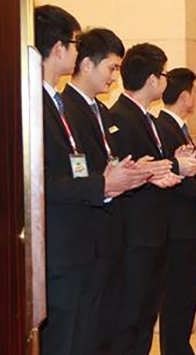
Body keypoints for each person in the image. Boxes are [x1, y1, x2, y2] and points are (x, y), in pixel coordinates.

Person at [57, 27, 156, 353]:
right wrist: (107, 181)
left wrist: (137, 172)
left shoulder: (100, 110)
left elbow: (109, 162)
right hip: (82, 241)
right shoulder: (65, 109)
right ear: (87, 64)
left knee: (105, 329)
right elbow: (69, 175)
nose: (115, 77)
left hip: (111, 237)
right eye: (111, 68)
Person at [109, 43, 187, 355]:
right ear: (153, 79)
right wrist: (170, 167)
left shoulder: (149, 119)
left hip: (156, 233)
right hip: (135, 237)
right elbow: (126, 174)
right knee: (129, 319)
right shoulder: (119, 117)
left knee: (145, 317)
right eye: (164, 74)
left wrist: (171, 167)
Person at [157, 68, 196, 355]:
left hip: (188, 227)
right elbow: (180, 182)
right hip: (177, 231)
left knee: (185, 300)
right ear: (185, 95)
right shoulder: (164, 129)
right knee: (177, 301)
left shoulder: (179, 128)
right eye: (194, 92)